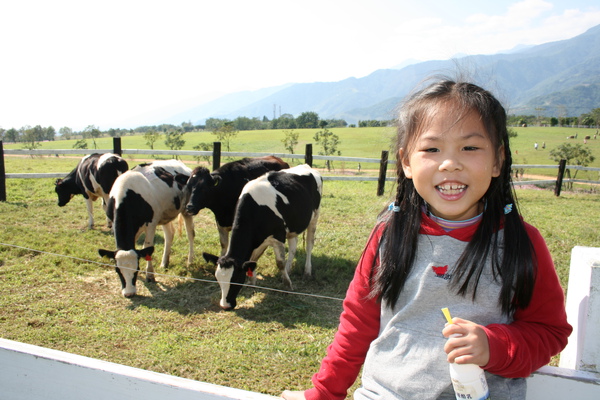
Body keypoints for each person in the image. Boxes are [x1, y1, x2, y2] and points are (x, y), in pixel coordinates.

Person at [281, 79, 572, 400]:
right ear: (407, 161)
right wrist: (323, 393)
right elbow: (357, 323)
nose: (450, 163)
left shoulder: (522, 242)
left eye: (470, 147)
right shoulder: (388, 235)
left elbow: (550, 332)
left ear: (498, 160)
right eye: (432, 149)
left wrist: (494, 346)